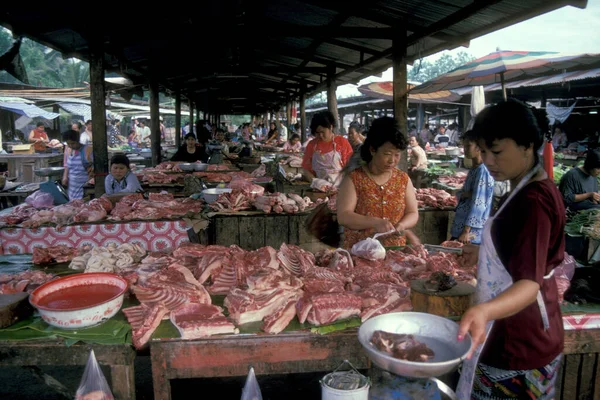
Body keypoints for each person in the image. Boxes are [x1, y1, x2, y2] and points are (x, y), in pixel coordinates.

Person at [456, 99, 565, 400]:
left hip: (518, 339)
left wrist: (483, 310)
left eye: (497, 152)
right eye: (484, 152)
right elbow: (523, 250)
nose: (488, 160)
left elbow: (529, 284)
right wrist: (485, 253)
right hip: (525, 332)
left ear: (528, 145)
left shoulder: (533, 202)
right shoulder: (528, 186)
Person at [337, 116, 419, 248]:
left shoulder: (403, 179)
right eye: (387, 154)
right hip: (361, 251)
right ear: (373, 150)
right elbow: (344, 216)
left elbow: (413, 213)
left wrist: (402, 225)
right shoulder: (354, 178)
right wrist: (375, 222)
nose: (392, 160)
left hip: (395, 251)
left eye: (397, 154)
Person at [450, 132, 495, 245]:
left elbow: (479, 203)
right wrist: (466, 194)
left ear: (479, 147)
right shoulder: (474, 168)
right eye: (464, 146)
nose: (465, 149)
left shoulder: (482, 170)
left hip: (471, 233)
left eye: (468, 146)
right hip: (462, 227)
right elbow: (462, 193)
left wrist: (466, 231)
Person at [301, 111, 353, 185]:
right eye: (317, 133)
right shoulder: (312, 145)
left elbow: (350, 167)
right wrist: (316, 182)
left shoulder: (342, 143)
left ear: (331, 127)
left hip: (339, 187)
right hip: (319, 188)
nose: (320, 135)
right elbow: (306, 169)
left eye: (322, 132)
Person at [61, 129, 93, 201]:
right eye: (68, 144)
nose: (70, 146)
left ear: (78, 140)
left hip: (83, 185)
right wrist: (65, 177)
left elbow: (92, 169)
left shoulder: (87, 150)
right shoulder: (69, 150)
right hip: (72, 186)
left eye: (73, 143)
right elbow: (67, 165)